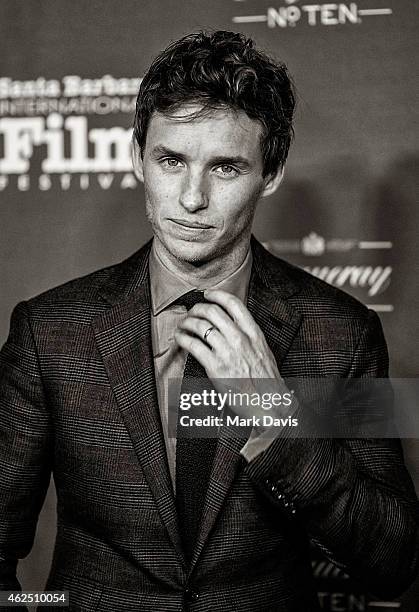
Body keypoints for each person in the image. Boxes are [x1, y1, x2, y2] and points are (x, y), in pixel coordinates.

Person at [0, 30, 418, 612]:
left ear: (269, 174)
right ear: (136, 159)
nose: (191, 198)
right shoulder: (52, 331)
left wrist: (275, 414)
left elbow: (393, 560)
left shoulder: (337, 334)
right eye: (171, 160)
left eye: (225, 168)